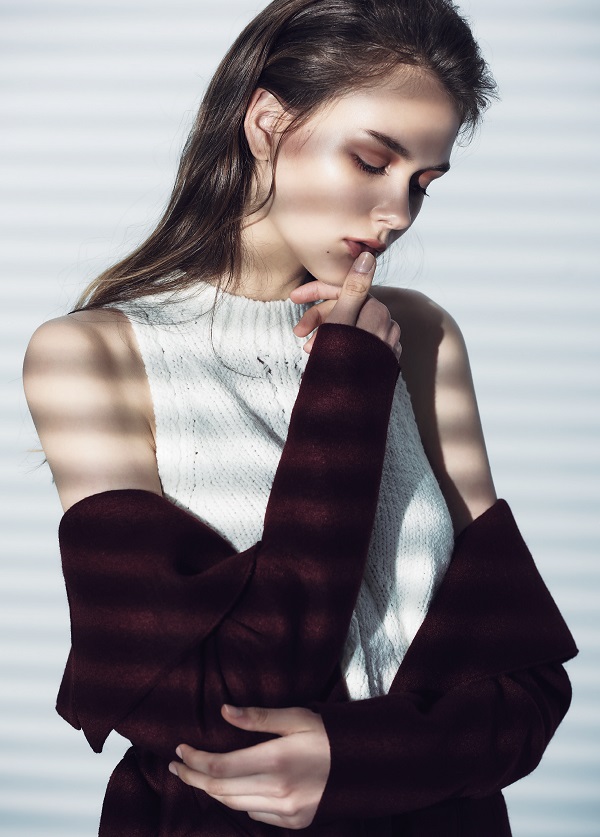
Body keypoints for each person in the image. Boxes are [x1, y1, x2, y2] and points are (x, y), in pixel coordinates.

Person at [22, 0, 577, 835]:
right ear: (267, 122)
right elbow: (213, 702)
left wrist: (359, 761)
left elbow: (530, 689)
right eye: (371, 160)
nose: (398, 214)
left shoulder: (421, 336)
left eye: (422, 184)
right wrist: (346, 383)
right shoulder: (90, 356)